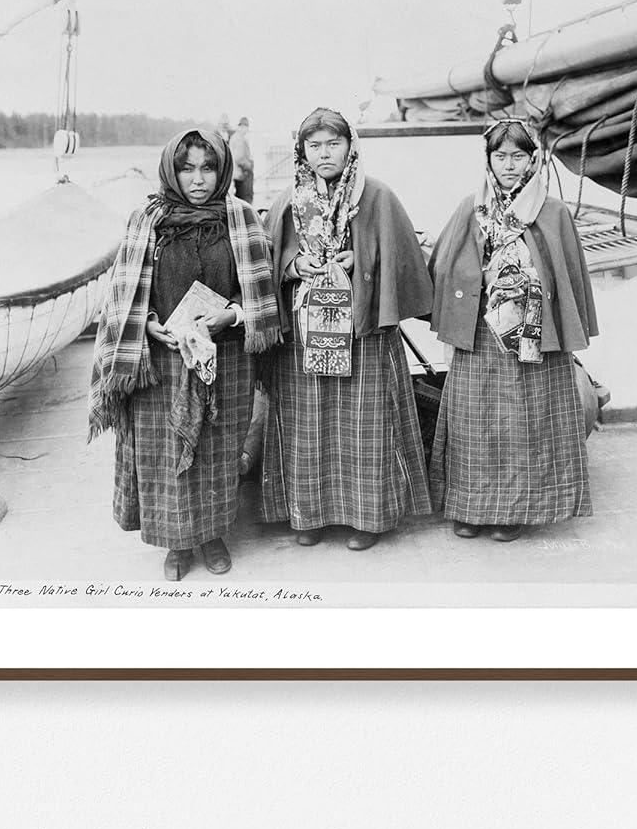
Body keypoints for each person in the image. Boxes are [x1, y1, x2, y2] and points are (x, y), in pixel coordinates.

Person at [87, 128, 280, 581]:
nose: (198, 179)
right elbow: (125, 293)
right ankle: (175, 543)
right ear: (171, 171)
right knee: (163, 452)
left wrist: (229, 317)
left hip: (224, 358)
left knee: (216, 450)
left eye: (208, 168)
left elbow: (261, 294)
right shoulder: (146, 219)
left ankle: (212, 535)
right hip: (161, 359)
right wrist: (149, 322)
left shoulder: (242, 219)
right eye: (187, 168)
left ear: (223, 170)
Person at [256, 107, 434, 550]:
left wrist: (361, 262)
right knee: (305, 423)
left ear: (350, 146)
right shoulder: (288, 201)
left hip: (362, 329)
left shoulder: (376, 195)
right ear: (302, 151)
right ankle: (308, 514)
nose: (323, 154)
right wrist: (295, 264)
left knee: (365, 422)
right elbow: (266, 261)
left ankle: (367, 518)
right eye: (313, 146)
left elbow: (402, 257)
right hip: (303, 334)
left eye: (333, 144)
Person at [426, 118, 597, 541]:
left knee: (522, 418)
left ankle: (515, 509)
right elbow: (445, 265)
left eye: (517, 156)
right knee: (473, 418)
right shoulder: (472, 207)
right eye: (499, 156)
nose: (508, 165)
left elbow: (567, 274)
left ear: (533, 160)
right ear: (488, 160)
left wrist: (525, 279)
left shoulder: (552, 211)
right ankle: (469, 507)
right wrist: (478, 277)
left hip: (532, 332)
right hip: (480, 329)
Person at [230, 116, 255, 203]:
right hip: (243, 175)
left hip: (239, 175)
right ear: (240, 127)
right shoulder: (238, 139)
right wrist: (250, 167)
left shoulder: (236, 138)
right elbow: (239, 159)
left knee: (240, 200)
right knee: (246, 201)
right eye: (245, 127)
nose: (247, 130)